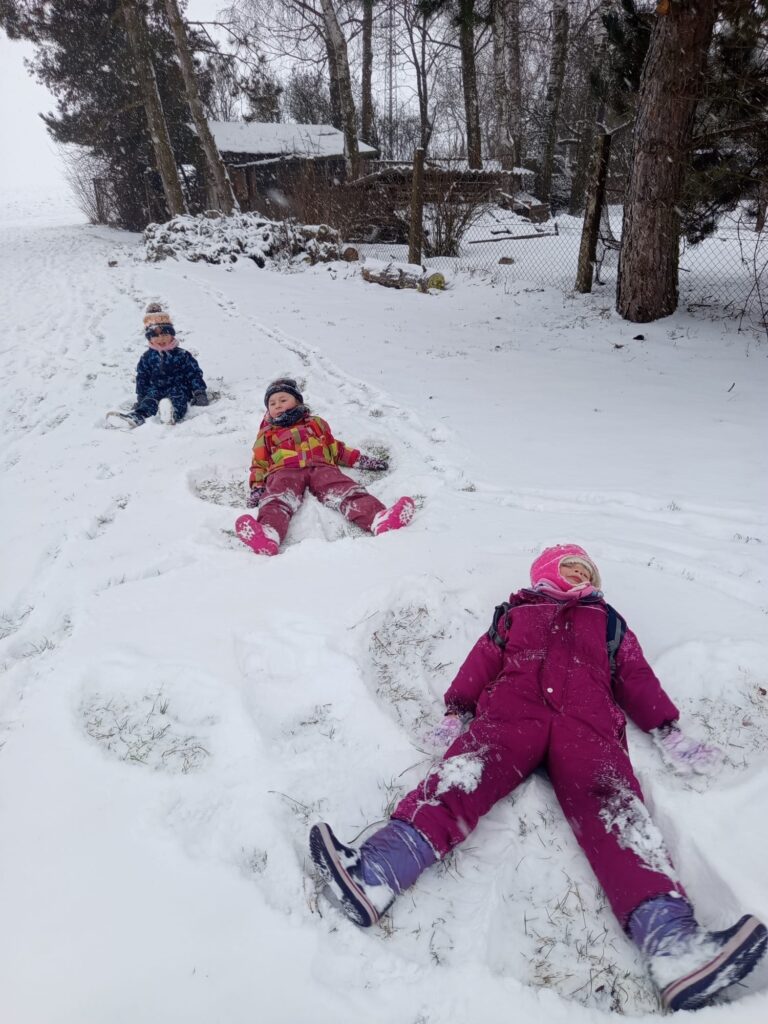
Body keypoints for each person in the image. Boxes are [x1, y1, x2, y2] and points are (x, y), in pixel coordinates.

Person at [309, 544, 767, 1013]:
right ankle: (375, 873)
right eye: (572, 567)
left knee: (618, 816)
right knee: (462, 778)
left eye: (587, 571)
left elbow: (636, 676)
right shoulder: (515, 613)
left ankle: (675, 947)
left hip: (586, 727)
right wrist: (457, 709)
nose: (581, 575)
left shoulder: (608, 622)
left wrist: (666, 729)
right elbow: (482, 661)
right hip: (513, 714)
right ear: (546, 571)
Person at [234, 378, 415, 556]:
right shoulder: (267, 433)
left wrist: (360, 460)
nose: (278, 405)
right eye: (272, 403)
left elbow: (335, 449)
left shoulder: (315, 424)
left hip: (320, 467)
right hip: (285, 470)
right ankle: (268, 534)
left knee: (345, 490)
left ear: (297, 401)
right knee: (277, 499)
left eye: (283, 400)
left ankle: (379, 519)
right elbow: (259, 462)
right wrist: (257, 486)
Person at [108, 302, 208, 428]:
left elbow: (194, 374)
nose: (161, 338)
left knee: (178, 399)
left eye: (165, 334)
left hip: (179, 388)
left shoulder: (182, 355)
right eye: (155, 336)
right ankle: (136, 417)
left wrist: (199, 392)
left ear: (172, 335)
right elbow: (142, 377)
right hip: (156, 389)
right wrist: (141, 397)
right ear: (149, 338)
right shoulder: (147, 357)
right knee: (149, 401)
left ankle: (172, 414)